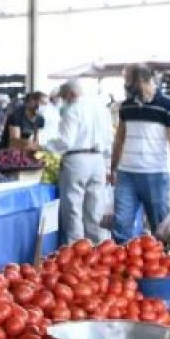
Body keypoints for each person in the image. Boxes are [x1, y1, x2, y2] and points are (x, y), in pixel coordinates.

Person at [109, 67, 170, 242]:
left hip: (156, 175)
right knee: (120, 226)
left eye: (129, 80)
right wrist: (113, 168)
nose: (126, 85)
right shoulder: (126, 106)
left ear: (142, 80)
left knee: (160, 228)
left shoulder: (169, 107)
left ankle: (163, 266)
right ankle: (122, 266)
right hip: (126, 174)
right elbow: (119, 139)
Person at [57, 79, 113, 244]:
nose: (64, 102)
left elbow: (65, 141)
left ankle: (77, 249)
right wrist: (109, 165)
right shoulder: (101, 110)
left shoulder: (73, 110)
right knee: (95, 208)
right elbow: (109, 139)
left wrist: (45, 145)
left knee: (73, 207)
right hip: (98, 159)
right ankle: (99, 249)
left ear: (71, 94)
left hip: (76, 159)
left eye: (64, 98)